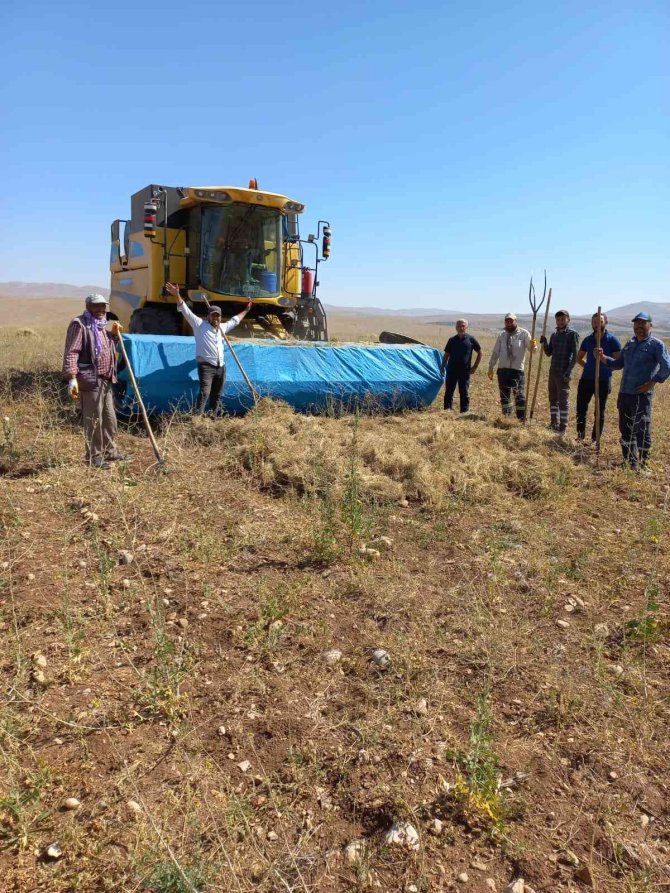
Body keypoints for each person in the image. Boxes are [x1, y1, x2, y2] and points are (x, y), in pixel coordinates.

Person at [596, 312, 670, 470]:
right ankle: (630, 462)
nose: (639, 328)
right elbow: (618, 364)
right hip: (624, 394)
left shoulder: (656, 345)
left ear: (650, 325)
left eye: (643, 324)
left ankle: (644, 465)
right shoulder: (630, 343)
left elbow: (666, 367)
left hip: (641, 396)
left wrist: (651, 383)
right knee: (625, 428)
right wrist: (603, 358)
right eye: (636, 325)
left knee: (642, 428)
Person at [165, 283, 251, 415]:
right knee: (205, 393)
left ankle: (213, 418)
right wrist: (177, 295)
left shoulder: (222, 327)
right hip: (206, 366)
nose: (216, 318)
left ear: (220, 317)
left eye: (218, 316)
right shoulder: (199, 325)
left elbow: (235, 320)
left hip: (221, 366)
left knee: (216, 395)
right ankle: (197, 419)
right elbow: (185, 310)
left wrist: (246, 310)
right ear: (208, 316)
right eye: (214, 316)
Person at [62, 293, 124, 470]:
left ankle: (110, 451)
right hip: (90, 379)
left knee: (110, 419)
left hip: (106, 379)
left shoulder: (101, 325)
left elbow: (106, 347)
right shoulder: (79, 324)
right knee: (93, 419)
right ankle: (94, 457)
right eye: (96, 306)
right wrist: (72, 377)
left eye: (103, 306)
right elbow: (72, 351)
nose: (100, 310)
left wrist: (114, 336)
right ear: (88, 306)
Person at [575, 312, 621, 442]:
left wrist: (605, 367)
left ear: (605, 322)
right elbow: (579, 358)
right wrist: (589, 366)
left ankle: (595, 440)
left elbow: (618, 362)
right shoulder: (588, 340)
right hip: (586, 379)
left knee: (599, 411)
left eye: (599, 321)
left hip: (603, 380)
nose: (596, 324)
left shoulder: (613, 340)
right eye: (594, 322)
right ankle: (580, 435)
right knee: (581, 408)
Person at [488, 313, 537, 420]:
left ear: (516, 321)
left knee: (519, 396)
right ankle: (506, 417)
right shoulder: (502, 335)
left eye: (511, 321)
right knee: (505, 396)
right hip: (503, 370)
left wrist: (534, 345)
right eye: (507, 321)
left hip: (517, 371)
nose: (509, 323)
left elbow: (532, 350)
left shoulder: (524, 334)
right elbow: (496, 352)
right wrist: (491, 366)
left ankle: (521, 419)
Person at [539, 310, 580, 433]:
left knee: (563, 401)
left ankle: (563, 427)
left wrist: (568, 372)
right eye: (558, 319)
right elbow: (549, 353)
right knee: (553, 399)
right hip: (553, 372)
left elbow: (576, 356)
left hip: (563, 373)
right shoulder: (554, 335)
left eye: (563, 319)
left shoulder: (573, 335)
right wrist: (544, 343)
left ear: (568, 319)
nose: (560, 321)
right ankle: (553, 423)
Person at [440, 319, 482, 412]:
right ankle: (447, 411)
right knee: (449, 392)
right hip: (451, 370)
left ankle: (464, 412)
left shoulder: (471, 339)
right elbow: (446, 354)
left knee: (464, 392)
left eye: (463, 326)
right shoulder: (452, 340)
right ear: (456, 327)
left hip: (465, 371)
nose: (461, 327)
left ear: (466, 327)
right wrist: (442, 366)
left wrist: (474, 367)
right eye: (459, 326)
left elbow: (480, 352)